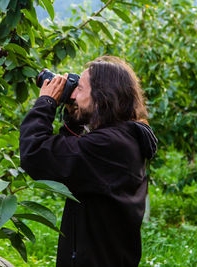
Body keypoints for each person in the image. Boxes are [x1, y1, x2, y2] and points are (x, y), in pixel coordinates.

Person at [19, 56, 158, 267]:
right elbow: (70, 156)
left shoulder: (109, 145)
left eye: (80, 89)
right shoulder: (121, 138)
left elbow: (35, 154)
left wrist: (46, 102)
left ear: (102, 97)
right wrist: (73, 114)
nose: (72, 94)